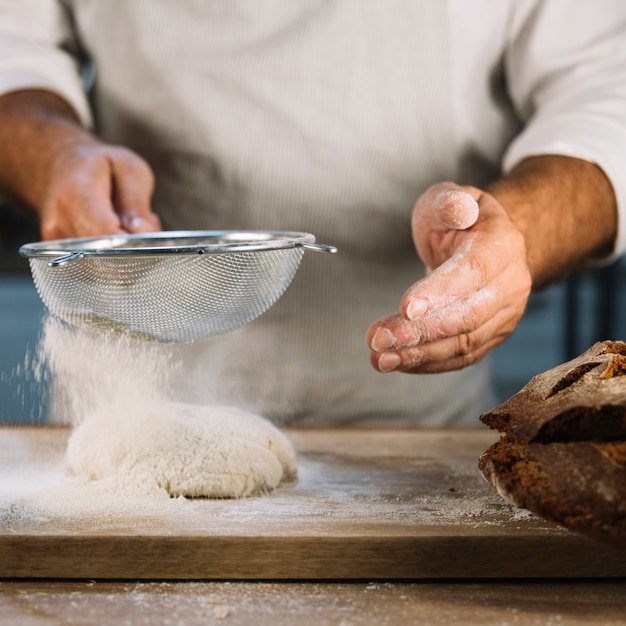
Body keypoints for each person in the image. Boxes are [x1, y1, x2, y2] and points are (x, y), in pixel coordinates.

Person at [0, 0, 624, 426]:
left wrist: (515, 232)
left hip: (412, 426)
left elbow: (606, 87)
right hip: (130, 403)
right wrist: (56, 154)